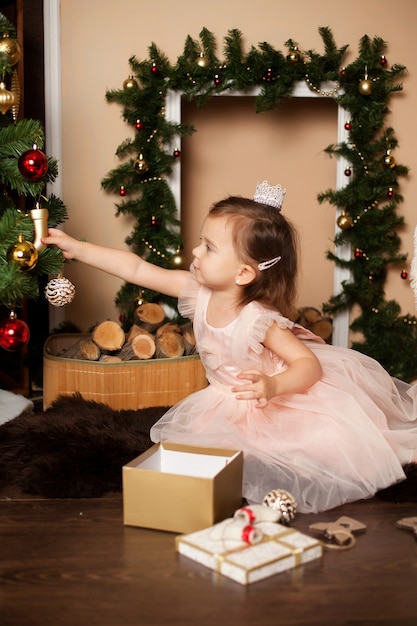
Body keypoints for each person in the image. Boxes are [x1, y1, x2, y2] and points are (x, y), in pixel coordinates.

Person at [42, 181, 417, 514]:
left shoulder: (258, 321)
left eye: (208, 247)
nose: (195, 251)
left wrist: (273, 386)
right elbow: (139, 270)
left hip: (277, 399)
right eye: (201, 242)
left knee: (331, 448)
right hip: (225, 399)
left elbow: (308, 366)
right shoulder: (199, 292)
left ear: (243, 273)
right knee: (210, 455)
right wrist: (78, 248)